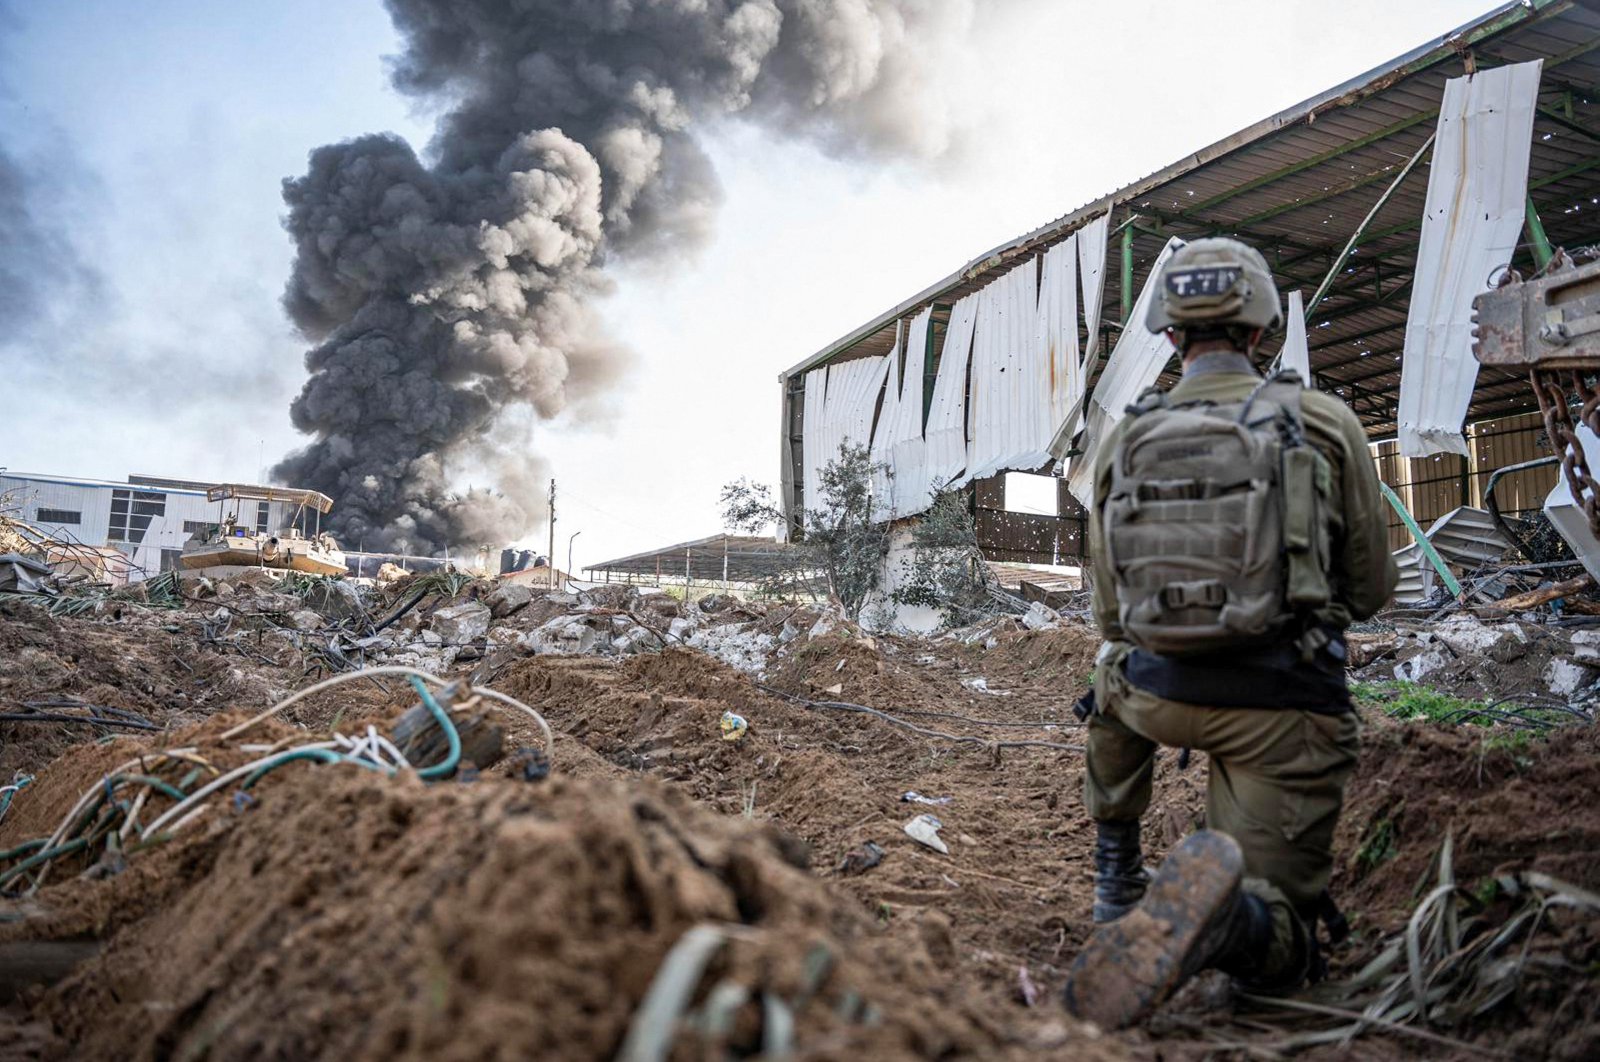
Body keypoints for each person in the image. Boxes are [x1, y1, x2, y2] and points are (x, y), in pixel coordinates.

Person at [1060, 237, 1398, 1029]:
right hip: (1281, 710)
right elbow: (1373, 592)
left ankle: (1118, 879)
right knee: (1284, 949)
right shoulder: (1322, 422)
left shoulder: (1125, 439)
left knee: (1107, 682)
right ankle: (1234, 923)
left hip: (1151, 699)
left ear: (1169, 336)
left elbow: (1110, 615)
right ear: (1262, 328)